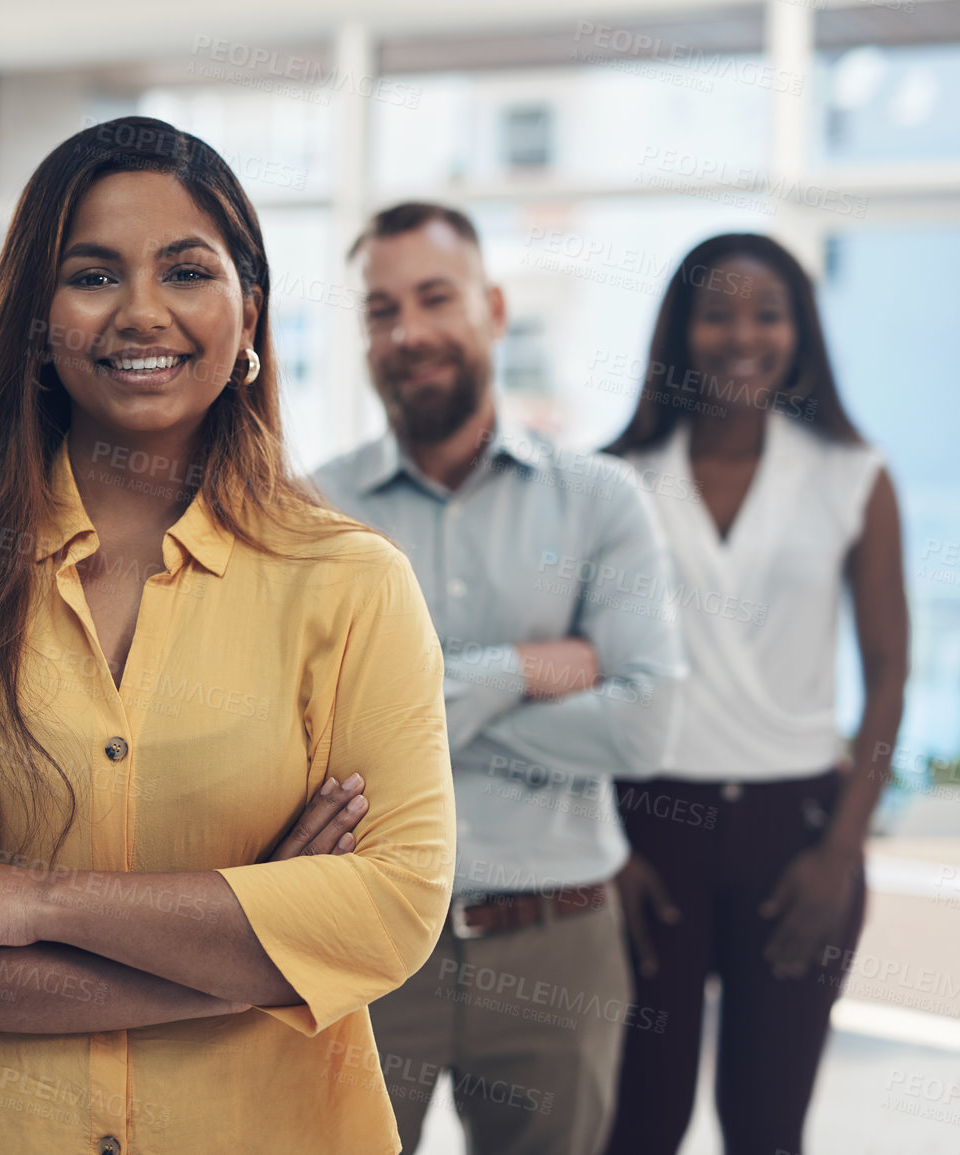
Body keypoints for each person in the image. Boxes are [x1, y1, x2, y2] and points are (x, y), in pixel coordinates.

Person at [0, 116, 455, 1154]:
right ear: (35, 320)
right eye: (93, 275)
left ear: (250, 319)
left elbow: (390, 912)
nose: (142, 311)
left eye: (188, 271)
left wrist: (22, 901)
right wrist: (252, 949)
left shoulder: (352, 584)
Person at [314, 202, 685, 1155]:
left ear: (491, 307)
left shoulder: (601, 500)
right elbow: (304, 732)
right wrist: (522, 670)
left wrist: (409, 710)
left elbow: (641, 725)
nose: (410, 331)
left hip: (556, 941)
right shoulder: (309, 512)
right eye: (381, 309)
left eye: (435, 298)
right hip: (360, 940)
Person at [601, 235, 908, 1155]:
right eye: (717, 312)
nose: (742, 334)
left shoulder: (852, 475)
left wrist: (840, 850)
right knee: (637, 1127)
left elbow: (889, 670)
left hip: (798, 835)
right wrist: (605, 846)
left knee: (767, 1130)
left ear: (798, 332)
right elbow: (577, 672)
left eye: (766, 313)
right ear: (680, 331)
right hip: (646, 833)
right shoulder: (615, 481)